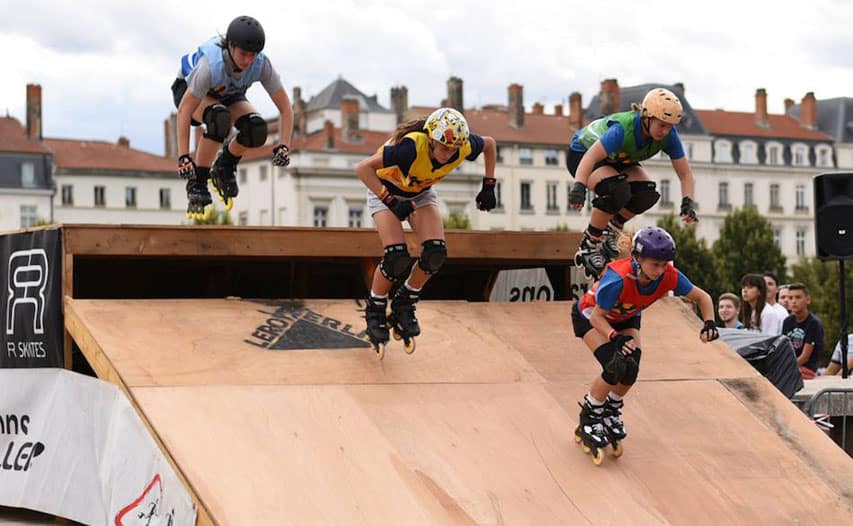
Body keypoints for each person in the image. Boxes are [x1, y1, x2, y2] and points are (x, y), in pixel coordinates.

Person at [355, 108, 497, 358]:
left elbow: (490, 144)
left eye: (453, 150)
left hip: (420, 192)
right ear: (431, 140)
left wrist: (488, 185)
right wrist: (389, 200)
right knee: (396, 257)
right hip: (384, 189)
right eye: (443, 148)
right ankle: (375, 308)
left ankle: (404, 301)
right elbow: (363, 168)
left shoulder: (461, 146)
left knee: (435, 254)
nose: (449, 154)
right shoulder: (409, 149)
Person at [571, 226, 717, 463]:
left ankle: (610, 410)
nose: (660, 271)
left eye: (664, 264)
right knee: (615, 364)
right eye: (654, 265)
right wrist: (614, 337)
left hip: (626, 316)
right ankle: (590, 415)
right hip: (590, 317)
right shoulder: (616, 279)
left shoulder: (669, 275)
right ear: (637, 259)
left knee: (632, 365)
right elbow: (597, 317)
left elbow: (703, 297)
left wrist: (709, 322)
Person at [566, 87, 698, 281]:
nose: (665, 131)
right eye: (661, 125)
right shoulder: (622, 130)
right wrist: (579, 187)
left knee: (647, 193)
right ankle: (590, 243)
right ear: (646, 117)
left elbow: (685, 174)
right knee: (617, 190)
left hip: (618, 159)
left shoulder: (669, 136)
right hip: (583, 156)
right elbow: (591, 157)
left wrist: (688, 203)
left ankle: (611, 230)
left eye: (670, 126)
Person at [172, 16, 294, 219]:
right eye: (243, 54)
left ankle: (225, 165)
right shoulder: (210, 66)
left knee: (256, 129)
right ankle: (199, 181)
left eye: (253, 55)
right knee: (219, 119)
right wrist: (184, 157)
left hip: (226, 92)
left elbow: (286, 109)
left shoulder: (261, 65)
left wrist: (284, 146)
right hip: (188, 89)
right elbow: (184, 111)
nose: (248, 61)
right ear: (230, 45)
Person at [781, 283, 824, 379]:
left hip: (806, 369)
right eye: (790, 298)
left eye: (798, 297)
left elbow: (805, 357)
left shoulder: (814, 323)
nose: (794, 301)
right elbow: (784, 349)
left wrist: (786, 368)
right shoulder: (787, 321)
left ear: (808, 300)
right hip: (791, 366)